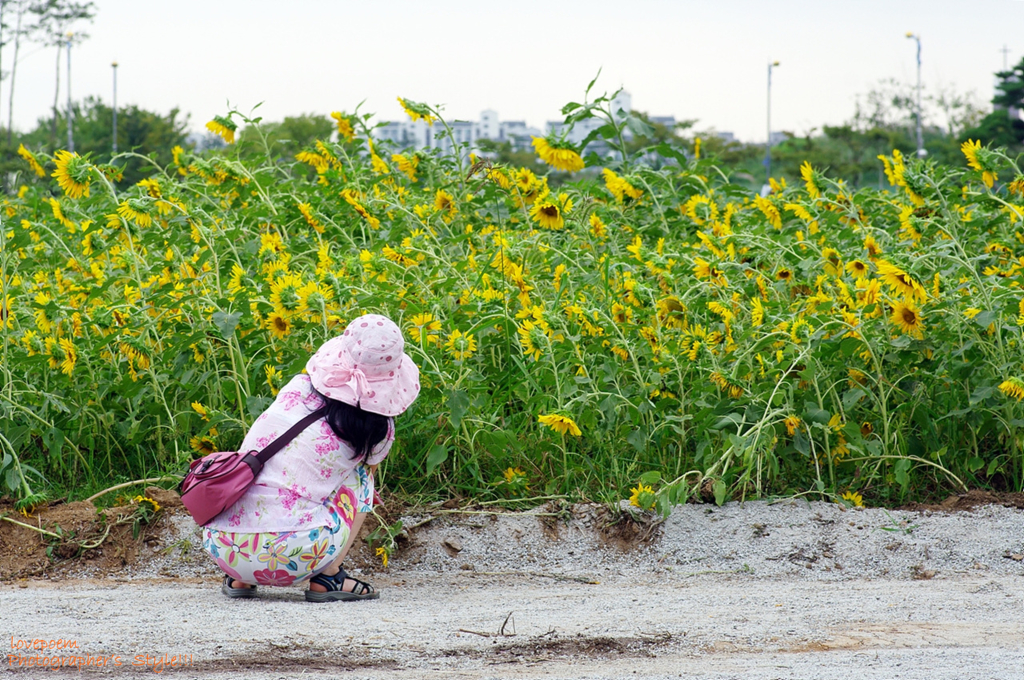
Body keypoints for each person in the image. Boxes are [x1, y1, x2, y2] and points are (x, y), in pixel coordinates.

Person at [201, 313, 420, 602]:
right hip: (298, 551)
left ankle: (241, 579)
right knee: (362, 478)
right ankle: (329, 577)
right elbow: (366, 479)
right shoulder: (377, 429)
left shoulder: (296, 388)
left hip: (223, 546)